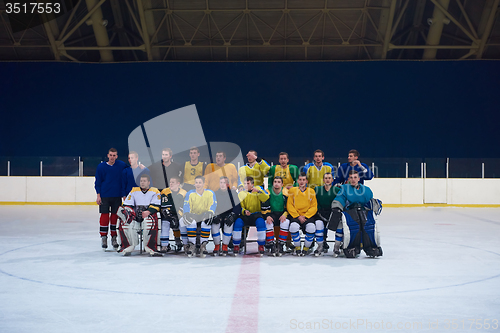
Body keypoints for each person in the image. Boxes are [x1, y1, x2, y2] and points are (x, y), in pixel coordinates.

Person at [330, 170, 382, 258]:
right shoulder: (345, 188)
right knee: (349, 227)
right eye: (351, 177)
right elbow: (340, 198)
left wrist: (375, 205)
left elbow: (370, 201)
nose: (353, 179)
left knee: (369, 227)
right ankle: (343, 247)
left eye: (355, 177)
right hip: (349, 213)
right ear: (348, 179)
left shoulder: (366, 190)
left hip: (363, 212)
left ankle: (370, 247)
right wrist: (337, 207)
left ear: (358, 178)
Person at [116, 174, 162, 256]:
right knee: (125, 221)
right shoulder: (134, 190)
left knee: (149, 221)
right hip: (136, 216)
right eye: (141, 181)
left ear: (149, 182)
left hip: (149, 215)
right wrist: (128, 212)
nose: (142, 183)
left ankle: (150, 247)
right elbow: (127, 204)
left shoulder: (155, 191)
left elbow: (157, 205)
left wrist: (148, 212)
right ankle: (128, 246)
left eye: (144, 181)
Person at [95, 148, 127, 251]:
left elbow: (130, 170)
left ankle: (114, 237)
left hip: (117, 196)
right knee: (104, 216)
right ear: (107, 155)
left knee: (114, 217)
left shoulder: (121, 165)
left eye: (114, 155)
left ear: (117, 156)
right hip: (105, 195)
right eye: (111, 155)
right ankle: (104, 237)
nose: (112, 157)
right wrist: (98, 195)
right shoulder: (101, 167)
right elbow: (98, 182)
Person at [179, 176, 217, 258]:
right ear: (194, 184)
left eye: (200, 182)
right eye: (196, 182)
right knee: (187, 222)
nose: (198, 184)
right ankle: (191, 245)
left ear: (203, 184)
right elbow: (186, 204)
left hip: (204, 214)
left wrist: (210, 212)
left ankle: (203, 246)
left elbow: (213, 204)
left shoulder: (210, 193)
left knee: (206, 222)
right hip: (193, 215)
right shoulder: (190, 193)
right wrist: (187, 213)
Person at [232, 176, 270, 256]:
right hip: (245, 214)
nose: (246, 185)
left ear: (252, 184)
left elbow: (266, 198)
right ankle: (236, 245)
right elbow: (239, 206)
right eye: (245, 183)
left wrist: (259, 192)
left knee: (261, 223)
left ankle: (261, 245)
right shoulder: (241, 193)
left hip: (256, 214)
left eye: (248, 183)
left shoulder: (258, 190)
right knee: (238, 223)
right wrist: (244, 211)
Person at [286, 172, 318, 256]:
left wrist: (306, 216)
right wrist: (297, 216)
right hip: (296, 215)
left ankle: (306, 248)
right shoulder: (292, 190)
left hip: (307, 216)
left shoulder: (311, 191)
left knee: (311, 228)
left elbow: (314, 206)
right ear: (297, 181)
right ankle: (297, 247)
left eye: (304, 180)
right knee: (293, 227)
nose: (302, 182)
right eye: (300, 180)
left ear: (307, 181)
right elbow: (289, 205)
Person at [314, 172, 341, 255]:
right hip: (321, 213)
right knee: (319, 225)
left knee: (340, 226)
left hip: (333, 213)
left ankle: (337, 247)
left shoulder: (337, 190)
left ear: (332, 180)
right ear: (323, 180)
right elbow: (314, 202)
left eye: (329, 178)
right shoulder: (317, 189)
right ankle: (320, 246)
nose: (327, 180)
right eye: (326, 178)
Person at [212, 176, 240, 256]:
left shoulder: (233, 193)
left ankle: (225, 245)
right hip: (219, 215)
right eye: (221, 183)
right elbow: (212, 205)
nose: (222, 184)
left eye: (224, 183)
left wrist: (233, 214)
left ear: (227, 184)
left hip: (228, 215)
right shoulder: (215, 193)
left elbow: (237, 206)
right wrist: (215, 214)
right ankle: (217, 245)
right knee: (214, 225)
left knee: (229, 224)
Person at [262, 176, 290, 256]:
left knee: (285, 223)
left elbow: (289, 207)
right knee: (268, 223)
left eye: (278, 182)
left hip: (282, 214)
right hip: (271, 214)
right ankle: (272, 245)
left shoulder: (286, 193)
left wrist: (285, 215)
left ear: (282, 184)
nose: (276, 184)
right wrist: (267, 216)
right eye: (275, 182)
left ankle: (281, 245)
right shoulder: (267, 192)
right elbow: (264, 206)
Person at [159, 176, 187, 253]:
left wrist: (179, 215)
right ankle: (164, 246)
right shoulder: (165, 191)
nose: (171, 184)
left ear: (178, 183)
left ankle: (185, 245)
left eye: (173, 182)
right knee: (165, 224)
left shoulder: (184, 192)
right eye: (170, 182)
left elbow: (184, 206)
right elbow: (164, 206)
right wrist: (170, 215)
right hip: (168, 214)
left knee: (182, 223)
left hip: (179, 214)